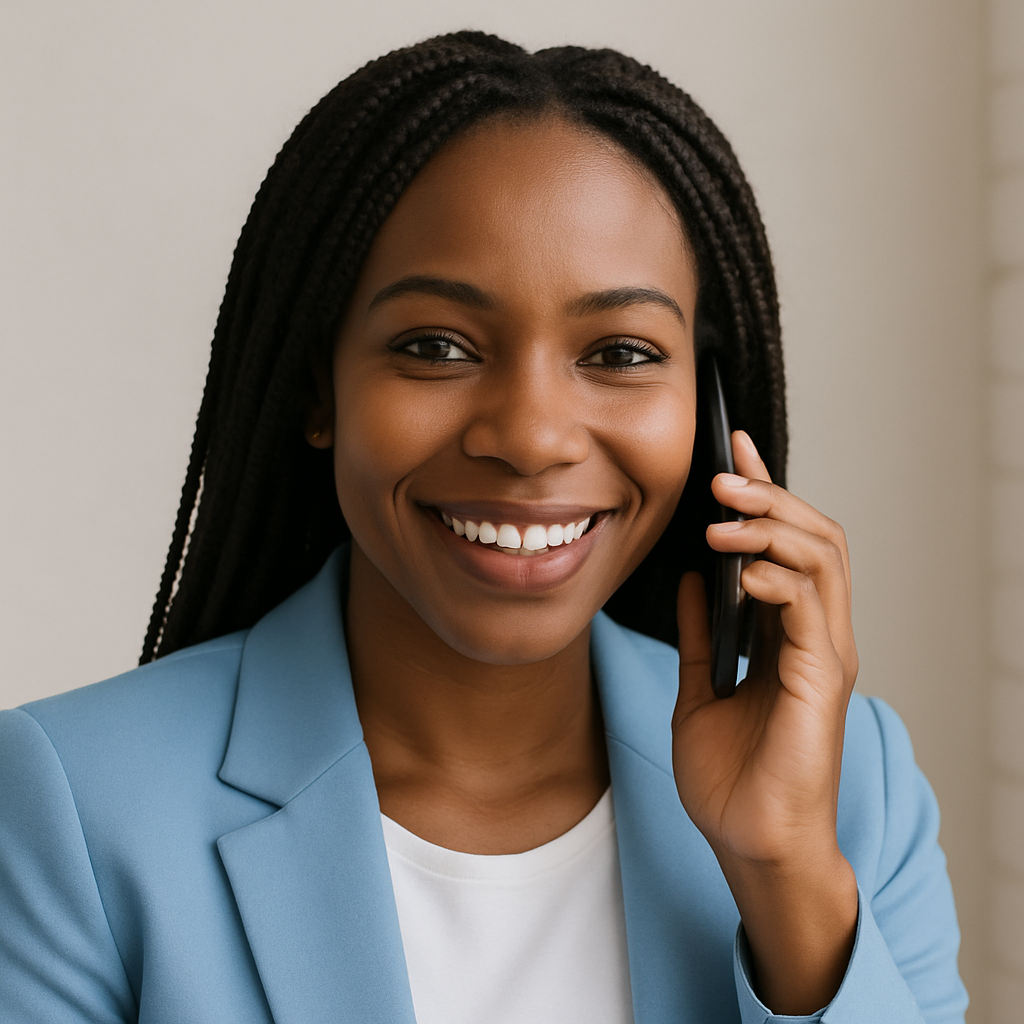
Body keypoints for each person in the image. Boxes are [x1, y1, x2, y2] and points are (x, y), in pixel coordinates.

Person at [0, 31, 968, 1024]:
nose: (533, 438)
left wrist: (787, 880)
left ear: (706, 412)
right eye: (436, 346)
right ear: (319, 387)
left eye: (620, 353)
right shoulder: (74, 805)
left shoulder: (851, 789)